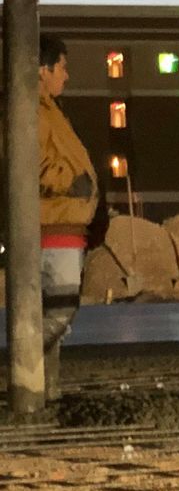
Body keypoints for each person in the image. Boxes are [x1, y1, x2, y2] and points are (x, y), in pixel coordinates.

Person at [36, 35, 108, 400]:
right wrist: (73, 182)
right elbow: (27, 164)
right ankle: (25, 372)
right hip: (52, 229)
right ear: (42, 68)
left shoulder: (48, 109)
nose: (66, 75)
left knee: (57, 312)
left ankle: (44, 390)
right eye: (62, 67)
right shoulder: (31, 110)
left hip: (63, 228)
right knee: (60, 311)